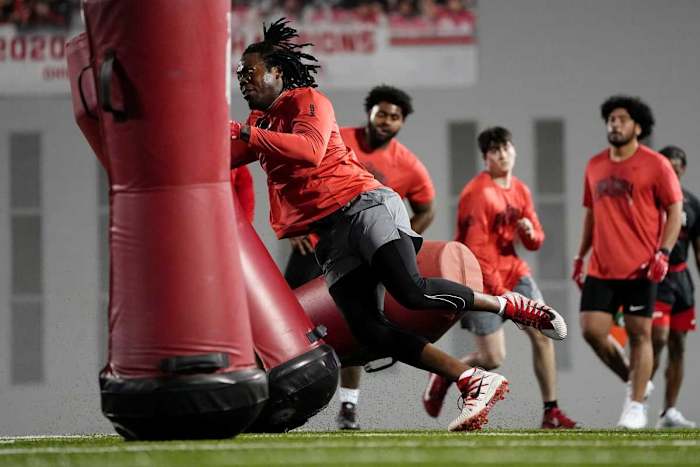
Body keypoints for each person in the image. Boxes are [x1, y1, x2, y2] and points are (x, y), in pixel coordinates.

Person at [229, 18, 567, 432]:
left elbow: (312, 150)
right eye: (238, 73)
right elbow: (213, 158)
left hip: (363, 206)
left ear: (277, 71)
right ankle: (471, 379)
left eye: (250, 70)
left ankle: (510, 305)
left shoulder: (305, 100)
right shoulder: (262, 125)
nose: (242, 78)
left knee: (411, 291)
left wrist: (244, 131)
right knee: (369, 330)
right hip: (329, 236)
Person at [282, 84, 436, 429]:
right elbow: (299, 177)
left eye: (394, 117)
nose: (386, 121)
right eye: (381, 113)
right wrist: (298, 228)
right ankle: (279, 390)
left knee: (353, 322)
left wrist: (393, 242)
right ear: (369, 113)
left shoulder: (408, 164)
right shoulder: (336, 136)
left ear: (402, 123)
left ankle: (348, 406)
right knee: (289, 315)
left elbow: (427, 208)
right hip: (318, 242)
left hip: (361, 250)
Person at [421, 127, 577, 429]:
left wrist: (531, 235)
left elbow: (536, 240)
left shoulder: (520, 189)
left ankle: (551, 412)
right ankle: (444, 373)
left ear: (514, 150)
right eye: (495, 150)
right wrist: (505, 296)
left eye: (506, 147)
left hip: (515, 272)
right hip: (481, 280)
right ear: (485, 158)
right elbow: (478, 254)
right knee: (492, 358)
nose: (503, 154)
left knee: (544, 334)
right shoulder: (477, 194)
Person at [572, 95, 683, 429]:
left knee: (640, 336)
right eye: (610, 119)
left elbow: (675, 210)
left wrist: (663, 252)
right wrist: (581, 255)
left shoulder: (656, 165)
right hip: (602, 267)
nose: (614, 124)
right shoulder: (594, 165)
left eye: (621, 119)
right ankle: (636, 381)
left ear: (638, 126)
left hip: (641, 267)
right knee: (592, 331)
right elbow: (590, 213)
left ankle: (636, 406)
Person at [650, 146, 698, 428]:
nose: (671, 170)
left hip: (682, 280)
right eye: (666, 165)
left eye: (676, 166)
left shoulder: (692, 203)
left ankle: (669, 411)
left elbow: (698, 248)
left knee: (678, 345)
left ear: (682, 170)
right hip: (657, 278)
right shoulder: (649, 199)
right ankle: (637, 402)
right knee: (656, 340)